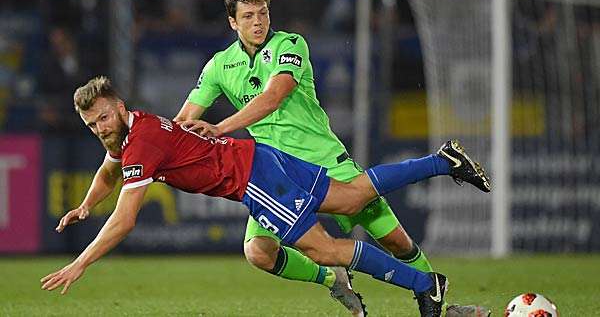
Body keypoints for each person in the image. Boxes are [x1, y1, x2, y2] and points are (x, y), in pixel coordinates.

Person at [40, 77, 491, 317]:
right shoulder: (132, 128)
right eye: (92, 126)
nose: (99, 129)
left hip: (253, 181)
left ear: (118, 108)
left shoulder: (140, 144)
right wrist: (84, 205)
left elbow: (125, 219)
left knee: (327, 249)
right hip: (260, 157)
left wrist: (79, 263)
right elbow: (107, 169)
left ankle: (427, 286)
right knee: (353, 198)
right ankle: (443, 161)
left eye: (102, 118)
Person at [174, 0, 491, 317]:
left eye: (263, 13)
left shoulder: (290, 44)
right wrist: (157, 148)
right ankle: (331, 277)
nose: (258, 22)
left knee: (395, 241)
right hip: (273, 174)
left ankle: (440, 300)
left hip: (324, 159)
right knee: (258, 252)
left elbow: (272, 97)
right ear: (233, 22)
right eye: (249, 16)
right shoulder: (219, 66)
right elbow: (183, 123)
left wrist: (220, 128)